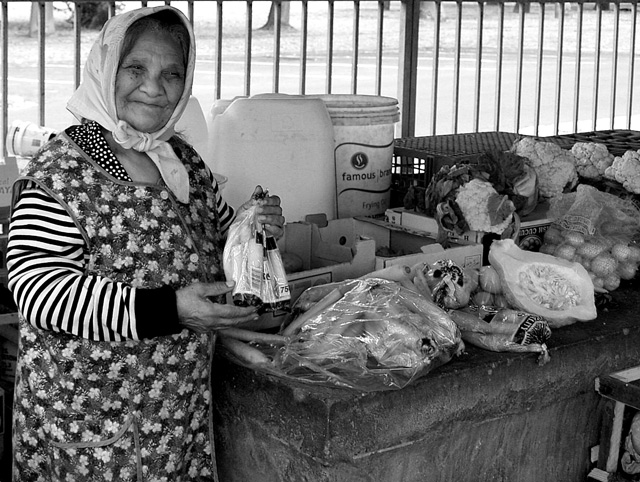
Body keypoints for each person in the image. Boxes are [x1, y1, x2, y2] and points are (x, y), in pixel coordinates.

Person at [8, 6, 284, 481]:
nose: (154, 88)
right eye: (136, 68)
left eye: (171, 74)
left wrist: (256, 232)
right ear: (105, 70)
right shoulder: (62, 172)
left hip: (175, 420)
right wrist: (171, 309)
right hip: (92, 428)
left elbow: (218, 240)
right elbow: (37, 290)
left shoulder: (183, 162)